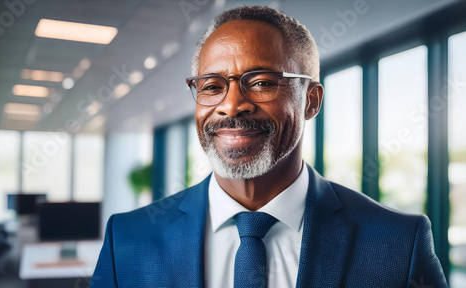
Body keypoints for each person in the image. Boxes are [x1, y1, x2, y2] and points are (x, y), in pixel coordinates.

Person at [91, 5, 447, 287]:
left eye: (260, 82)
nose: (231, 105)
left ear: (311, 100)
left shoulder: (398, 243)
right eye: (212, 86)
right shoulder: (128, 240)